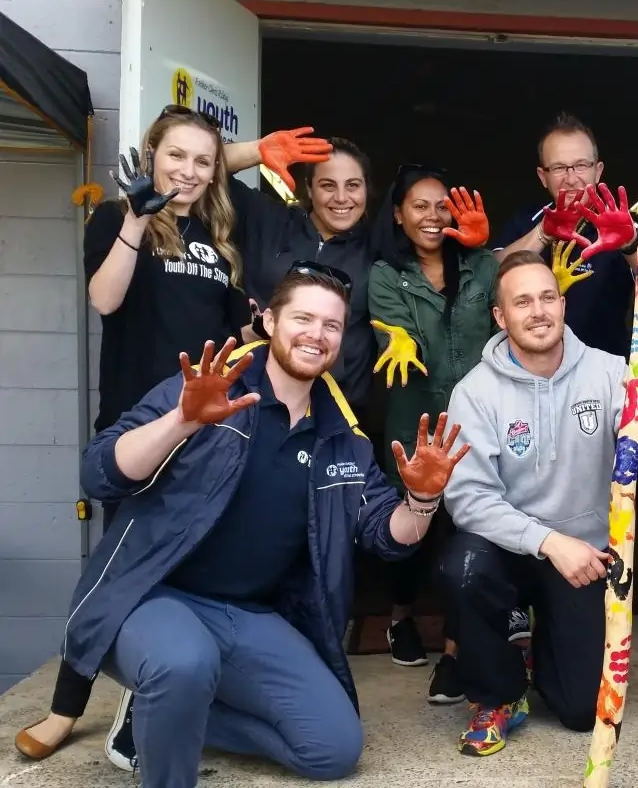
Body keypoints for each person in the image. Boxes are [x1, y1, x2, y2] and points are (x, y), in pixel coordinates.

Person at [57, 266, 471, 788]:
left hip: (248, 614)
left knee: (332, 749)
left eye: (332, 325)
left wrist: (423, 499)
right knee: (183, 664)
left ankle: (162, 710)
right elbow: (99, 473)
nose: (316, 334)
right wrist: (181, 422)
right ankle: (169, 713)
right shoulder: (209, 389)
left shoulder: (342, 436)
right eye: (303, 318)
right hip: (154, 595)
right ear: (270, 321)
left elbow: (389, 537)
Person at [15, 104, 251, 768]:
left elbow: (235, 337)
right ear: (151, 156)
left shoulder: (221, 238)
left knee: (181, 573)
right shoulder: (117, 218)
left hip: (203, 431)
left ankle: (138, 708)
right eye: (176, 155)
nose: (189, 171)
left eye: (203, 161)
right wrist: (140, 218)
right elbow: (105, 300)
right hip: (136, 427)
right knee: (115, 573)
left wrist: (271, 325)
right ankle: (66, 708)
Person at [438, 250, 638, 757]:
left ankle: (538, 651)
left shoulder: (610, 372)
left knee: (578, 711)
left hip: (583, 555)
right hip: (507, 548)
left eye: (547, 297)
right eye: (522, 302)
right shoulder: (475, 392)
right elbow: (467, 499)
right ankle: (499, 693)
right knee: (461, 569)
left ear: (563, 305)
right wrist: (548, 541)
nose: (538, 311)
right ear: (500, 317)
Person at [367, 164, 500, 702]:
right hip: (416, 423)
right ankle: (400, 617)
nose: (431, 215)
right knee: (411, 534)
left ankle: (455, 649)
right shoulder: (385, 274)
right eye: (419, 206)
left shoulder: (481, 266)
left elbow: (508, 316)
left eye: (441, 205)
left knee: (469, 533)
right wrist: (399, 341)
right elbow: (392, 330)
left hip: (478, 425)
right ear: (398, 215)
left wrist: (487, 252)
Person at [224, 130, 379, 413]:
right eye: (328, 185)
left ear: (366, 190)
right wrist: (256, 151)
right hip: (247, 395)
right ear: (309, 188)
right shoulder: (269, 219)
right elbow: (205, 168)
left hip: (337, 410)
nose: (341, 197)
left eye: (353, 185)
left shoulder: (380, 248)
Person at [492, 112, 638, 359]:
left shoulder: (619, 222)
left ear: (598, 171)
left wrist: (630, 243)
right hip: (530, 370)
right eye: (559, 168)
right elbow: (489, 274)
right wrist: (542, 232)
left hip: (604, 370)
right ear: (543, 176)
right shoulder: (526, 220)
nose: (571, 179)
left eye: (581, 165)